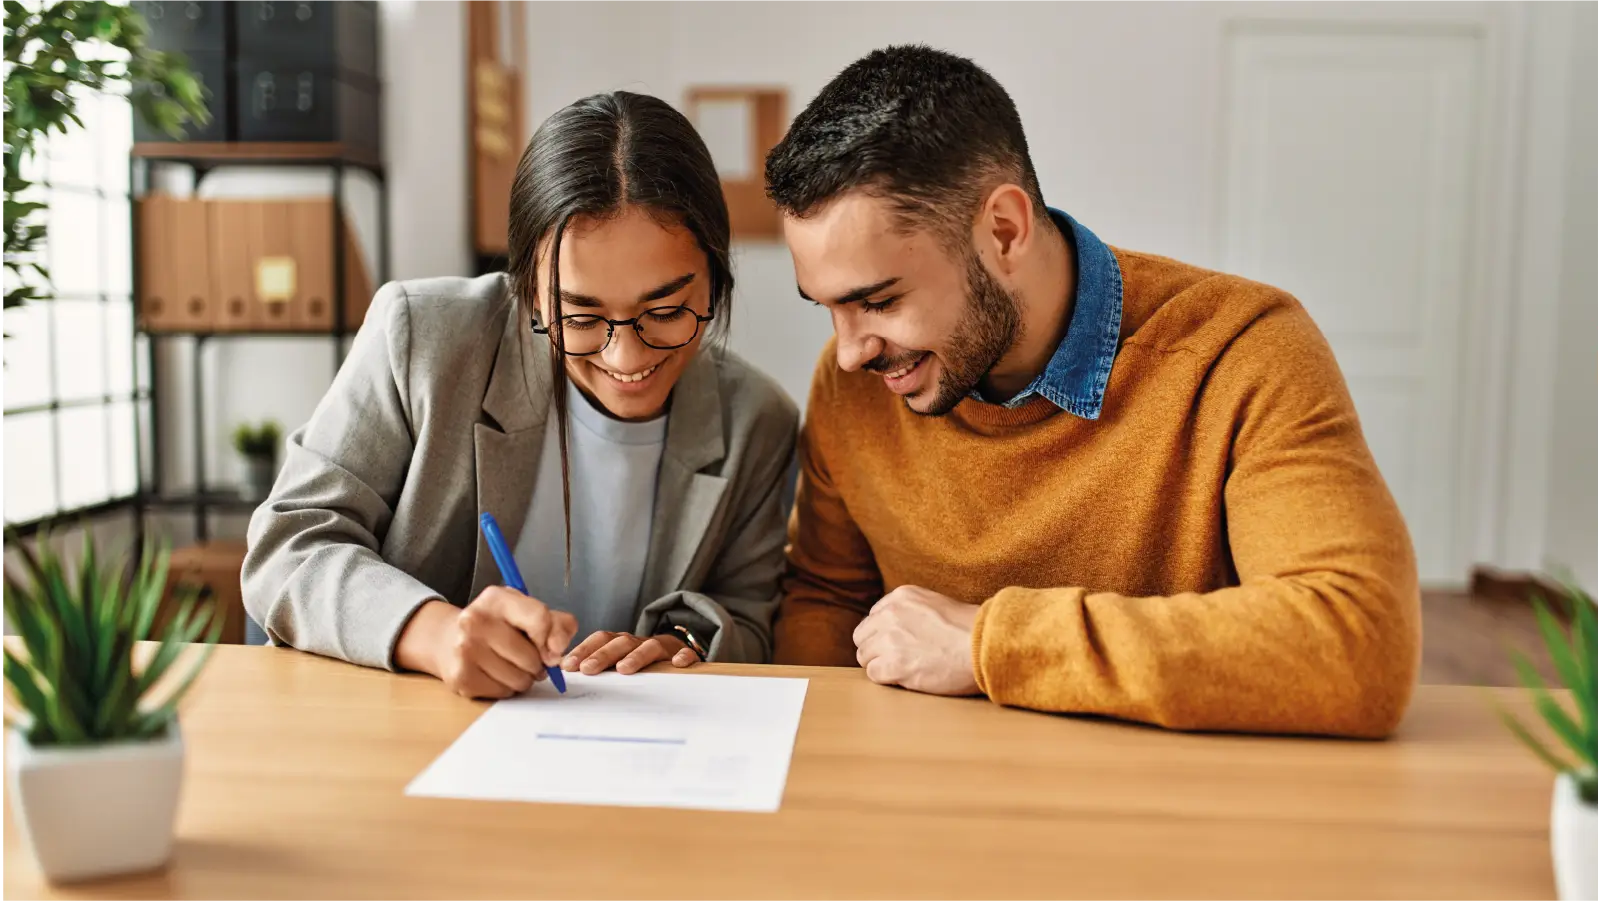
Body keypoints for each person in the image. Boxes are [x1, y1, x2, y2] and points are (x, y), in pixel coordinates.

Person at [764, 45, 1420, 738]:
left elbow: (1356, 643)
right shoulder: (859, 384)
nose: (848, 350)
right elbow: (826, 598)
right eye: (826, 307)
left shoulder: (1242, 351)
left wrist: (990, 645)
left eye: (879, 300)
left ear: (1003, 232)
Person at [242, 91, 798, 699]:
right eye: (579, 318)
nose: (627, 358)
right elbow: (288, 548)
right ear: (528, 292)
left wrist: (685, 644)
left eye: (665, 311)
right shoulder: (424, 338)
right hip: (406, 739)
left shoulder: (756, 421)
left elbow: (746, 617)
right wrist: (435, 634)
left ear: (716, 279)